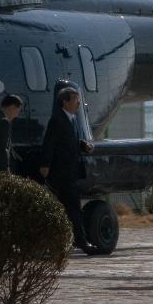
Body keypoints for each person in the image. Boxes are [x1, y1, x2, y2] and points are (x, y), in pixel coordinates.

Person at [40, 86, 96, 255]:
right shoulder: (57, 120)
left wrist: (82, 145)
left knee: (70, 208)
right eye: (75, 100)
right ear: (65, 102)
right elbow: (49, 144)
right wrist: (45, 166)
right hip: (60, 173)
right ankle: (81, 241)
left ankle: (74, 241)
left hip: (70, 173)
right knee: (71, 208)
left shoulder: (70, 119)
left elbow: (68, 140)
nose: (79, 103)